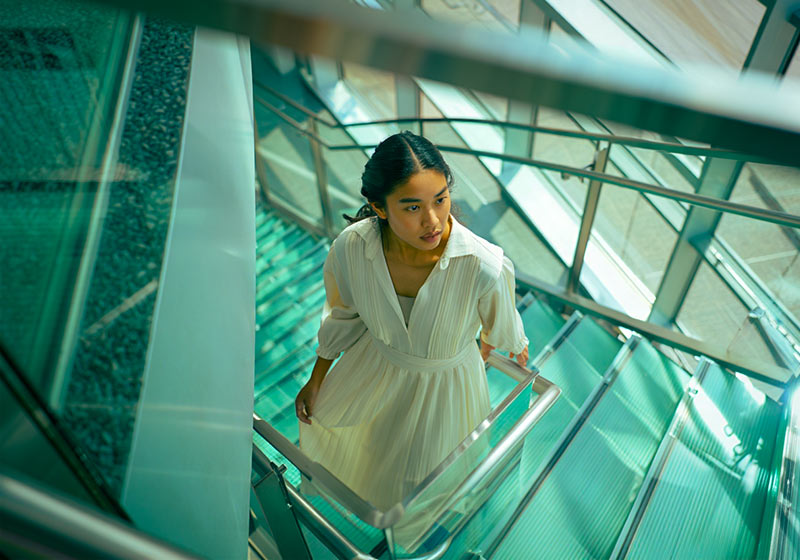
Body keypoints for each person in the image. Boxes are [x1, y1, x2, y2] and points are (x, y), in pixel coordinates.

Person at [295, 131, 529, 516]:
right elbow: (344, 315)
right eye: (412, 207)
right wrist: (317, 376)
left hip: (446, 390)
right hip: (376, 370)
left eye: (441, 199)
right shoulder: (353, 247)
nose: (433, 220)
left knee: (423, 483)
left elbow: (500, 333)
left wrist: (488, 346)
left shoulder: (482, 265)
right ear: (380, 207)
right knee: (373, 455)